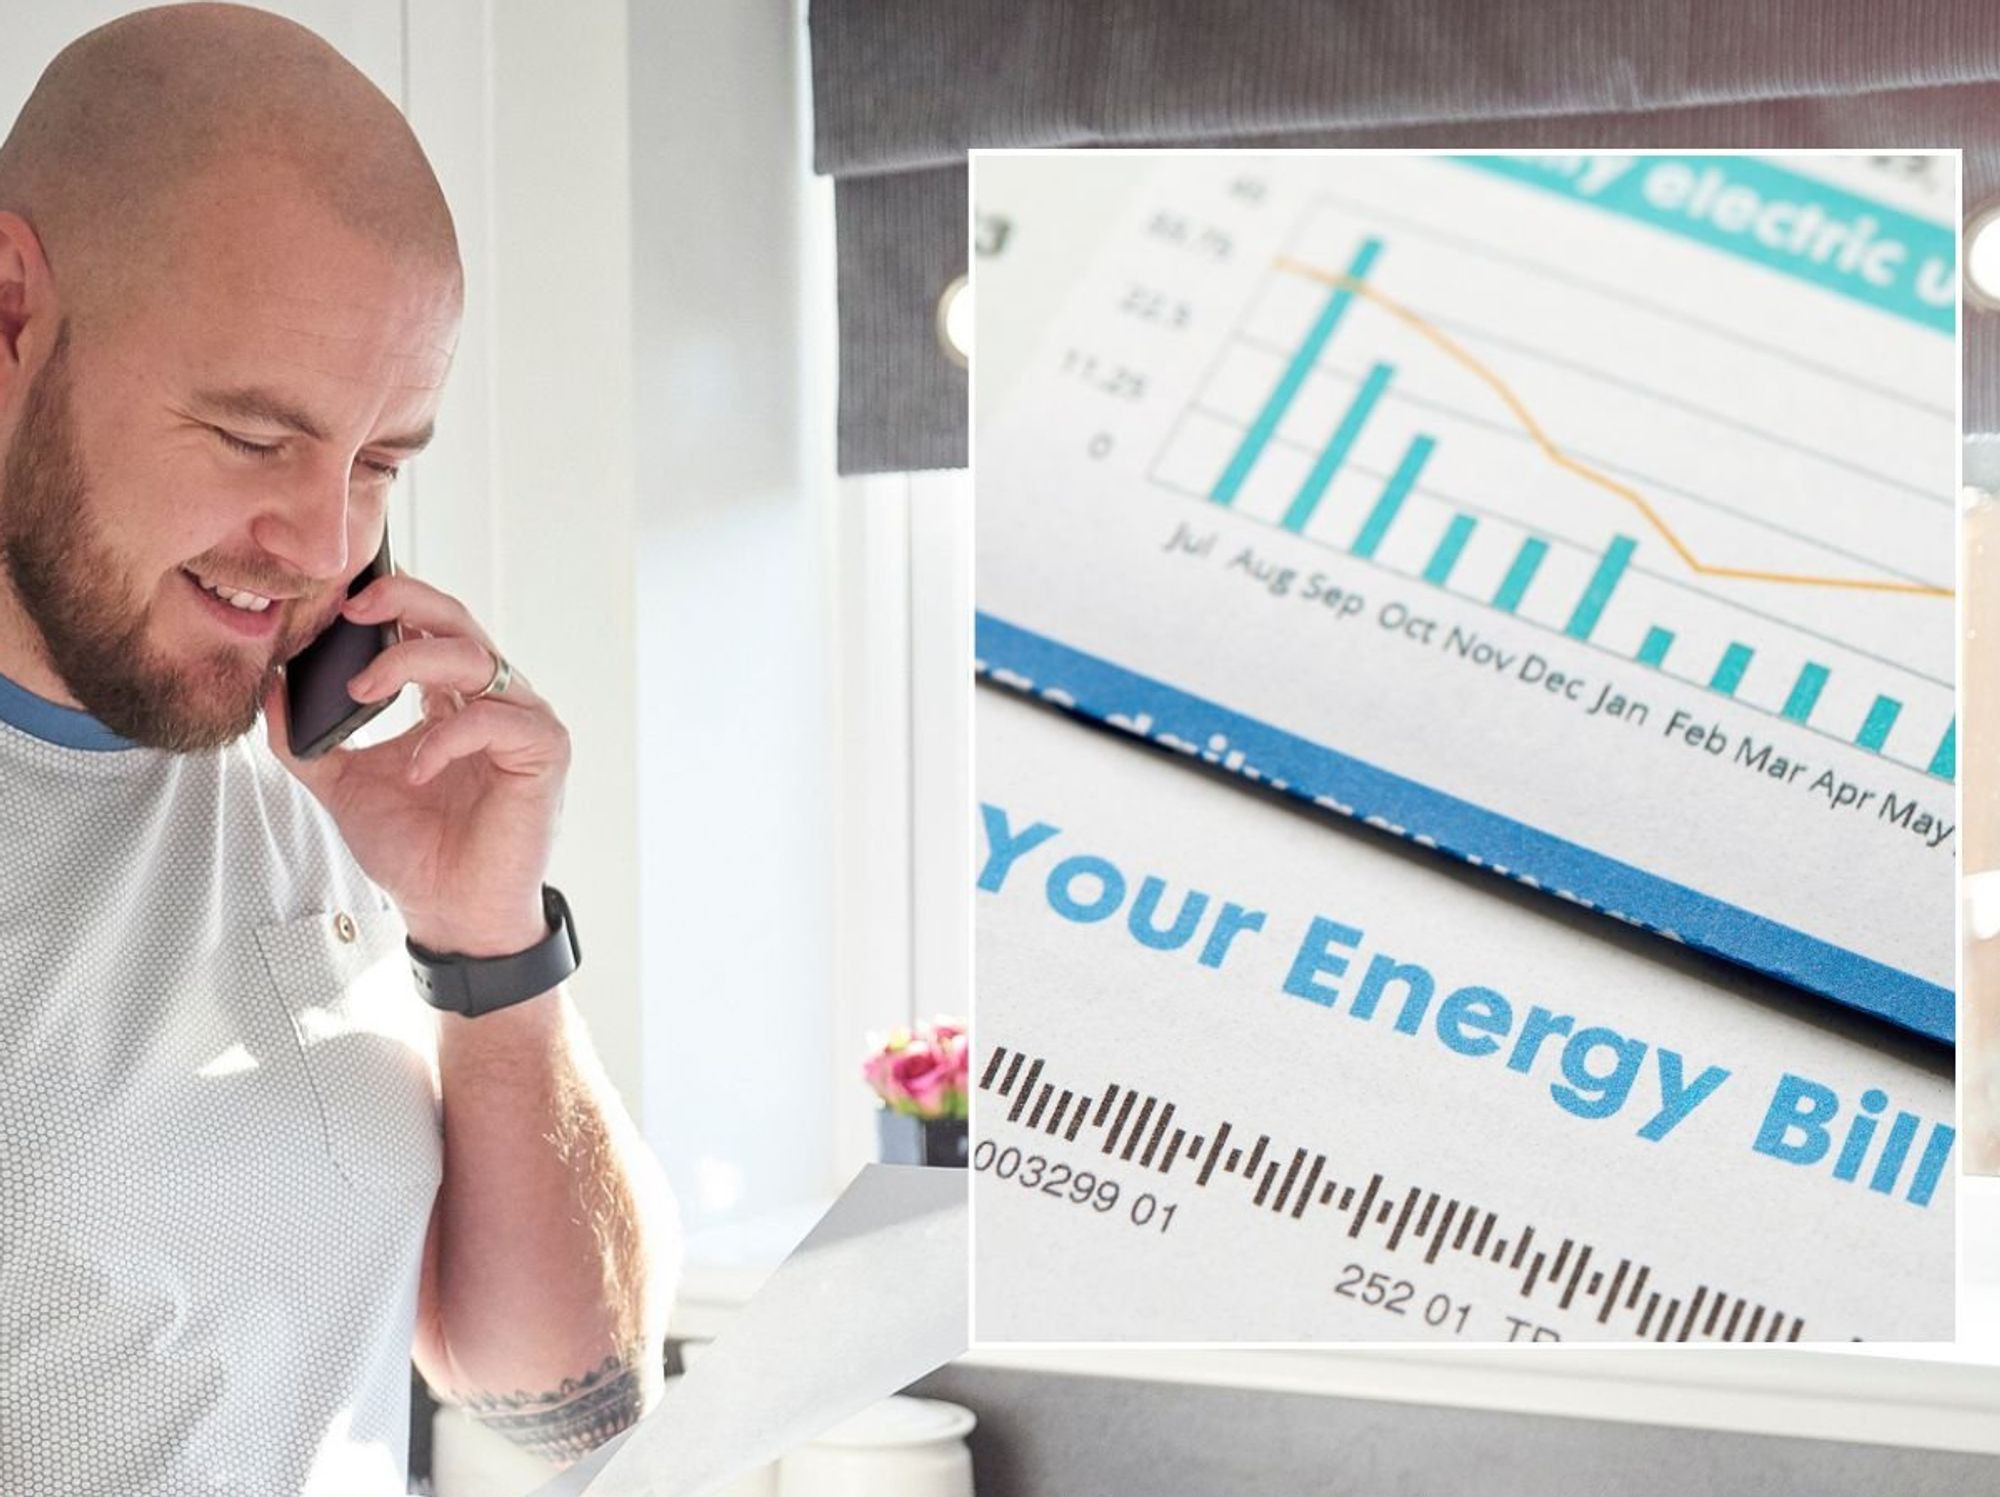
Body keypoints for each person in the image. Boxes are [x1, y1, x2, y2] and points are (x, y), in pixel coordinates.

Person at [0, 4, 677, 1490]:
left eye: (378, 462)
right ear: (9, 317)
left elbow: (567, 1405)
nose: (320, 546)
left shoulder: (325, 784)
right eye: (256, 438)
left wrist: (485, 940)